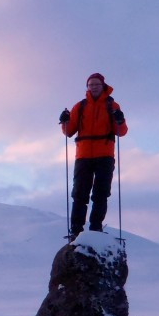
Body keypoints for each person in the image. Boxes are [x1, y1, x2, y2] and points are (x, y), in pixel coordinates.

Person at [60, 73, 128, 239]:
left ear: (103, 85)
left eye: (96, 84)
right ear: (87, 87)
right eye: (91, 85)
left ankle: (95, 227)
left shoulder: (112, 105)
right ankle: (77, 229)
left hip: (104, 156)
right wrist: (65, 122)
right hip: (84, 156)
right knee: (80, 193)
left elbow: (122, 131)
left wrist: (120, 120)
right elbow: (69, 132)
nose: (94, 87)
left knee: (100, 193)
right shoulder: (80, 106)